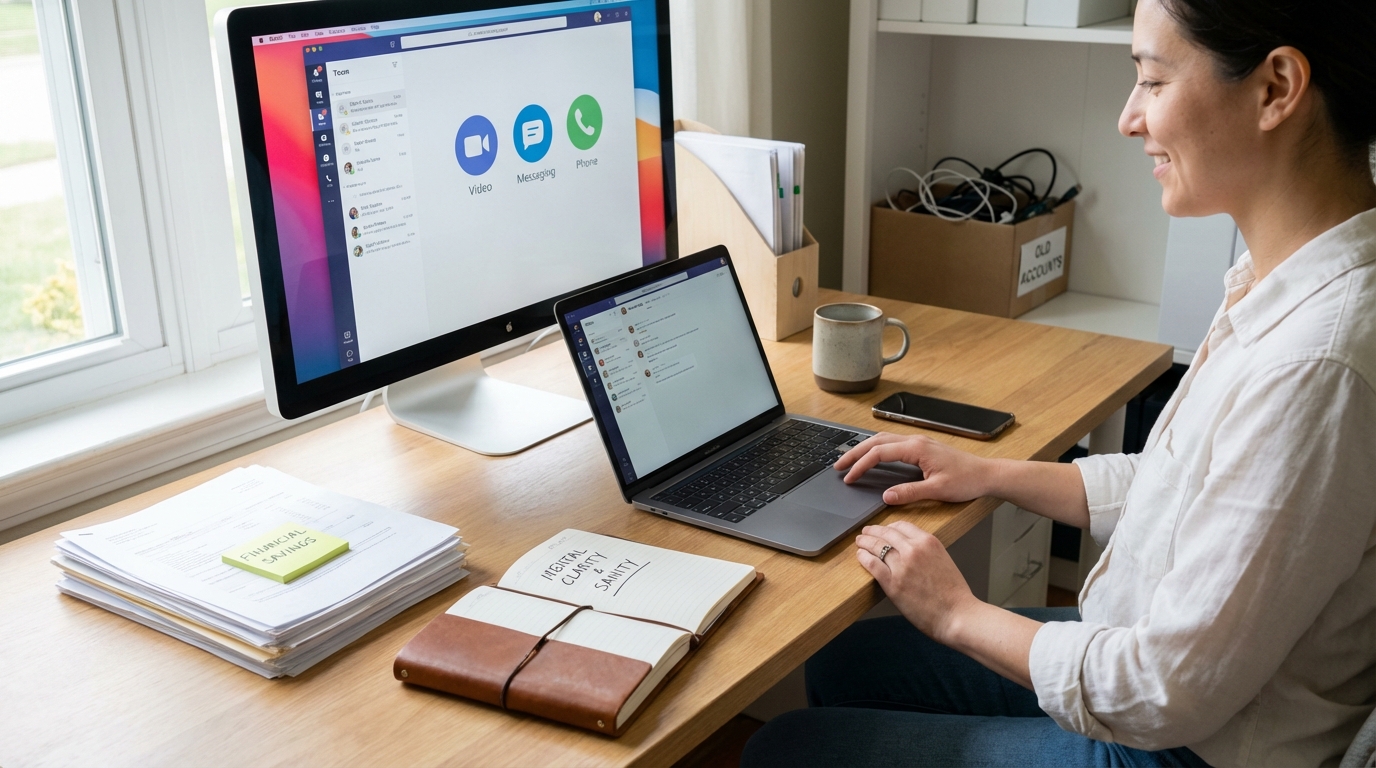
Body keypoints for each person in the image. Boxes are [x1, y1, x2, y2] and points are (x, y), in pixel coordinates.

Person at [743, 1, 1376, 766]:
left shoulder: (1317, 360)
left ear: (1276, 88)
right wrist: (989, 474)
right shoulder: (1284, 280)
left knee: (787, 748)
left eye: (1152, 81)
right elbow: (1186, 484)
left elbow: (1165, 688)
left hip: (1187, 746)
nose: (1128, 118)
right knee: (847, 662)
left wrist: (957, 614)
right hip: (1169, 680)